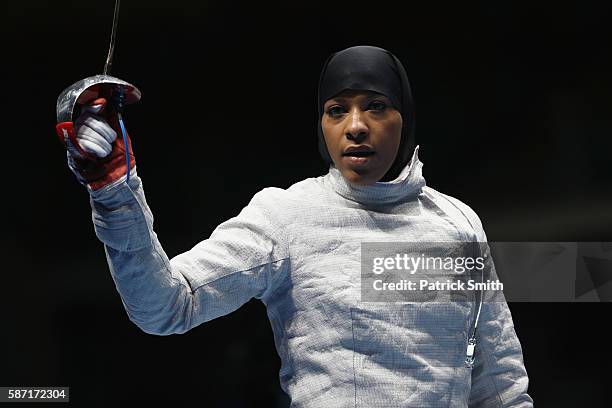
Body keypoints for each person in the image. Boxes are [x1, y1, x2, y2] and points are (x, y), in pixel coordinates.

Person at [60, 45, 533, 407]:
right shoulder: (288, 217)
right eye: (336, 110)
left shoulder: (456, 223)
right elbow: (166, 305)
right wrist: (113, 192)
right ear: (322, 124)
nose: (355, 126)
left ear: (404, 118)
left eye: (376, 106)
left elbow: (500, 385)